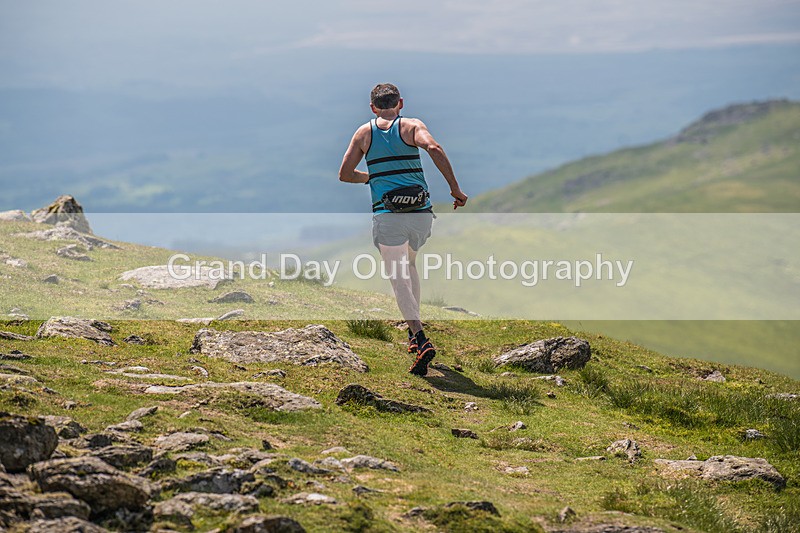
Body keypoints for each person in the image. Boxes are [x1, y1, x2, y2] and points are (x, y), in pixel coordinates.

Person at [339, 83, 468, 376]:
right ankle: (412, 332)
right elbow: (433, 147)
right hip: (420, 212)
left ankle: (420, 338)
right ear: (400, 103)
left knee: (398, 276)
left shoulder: (364, 133)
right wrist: (455, 189)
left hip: (388, 214)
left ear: (372, 107)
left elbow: (345, 174)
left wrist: (372, 177)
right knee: (409, 265)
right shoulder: (411, 126)